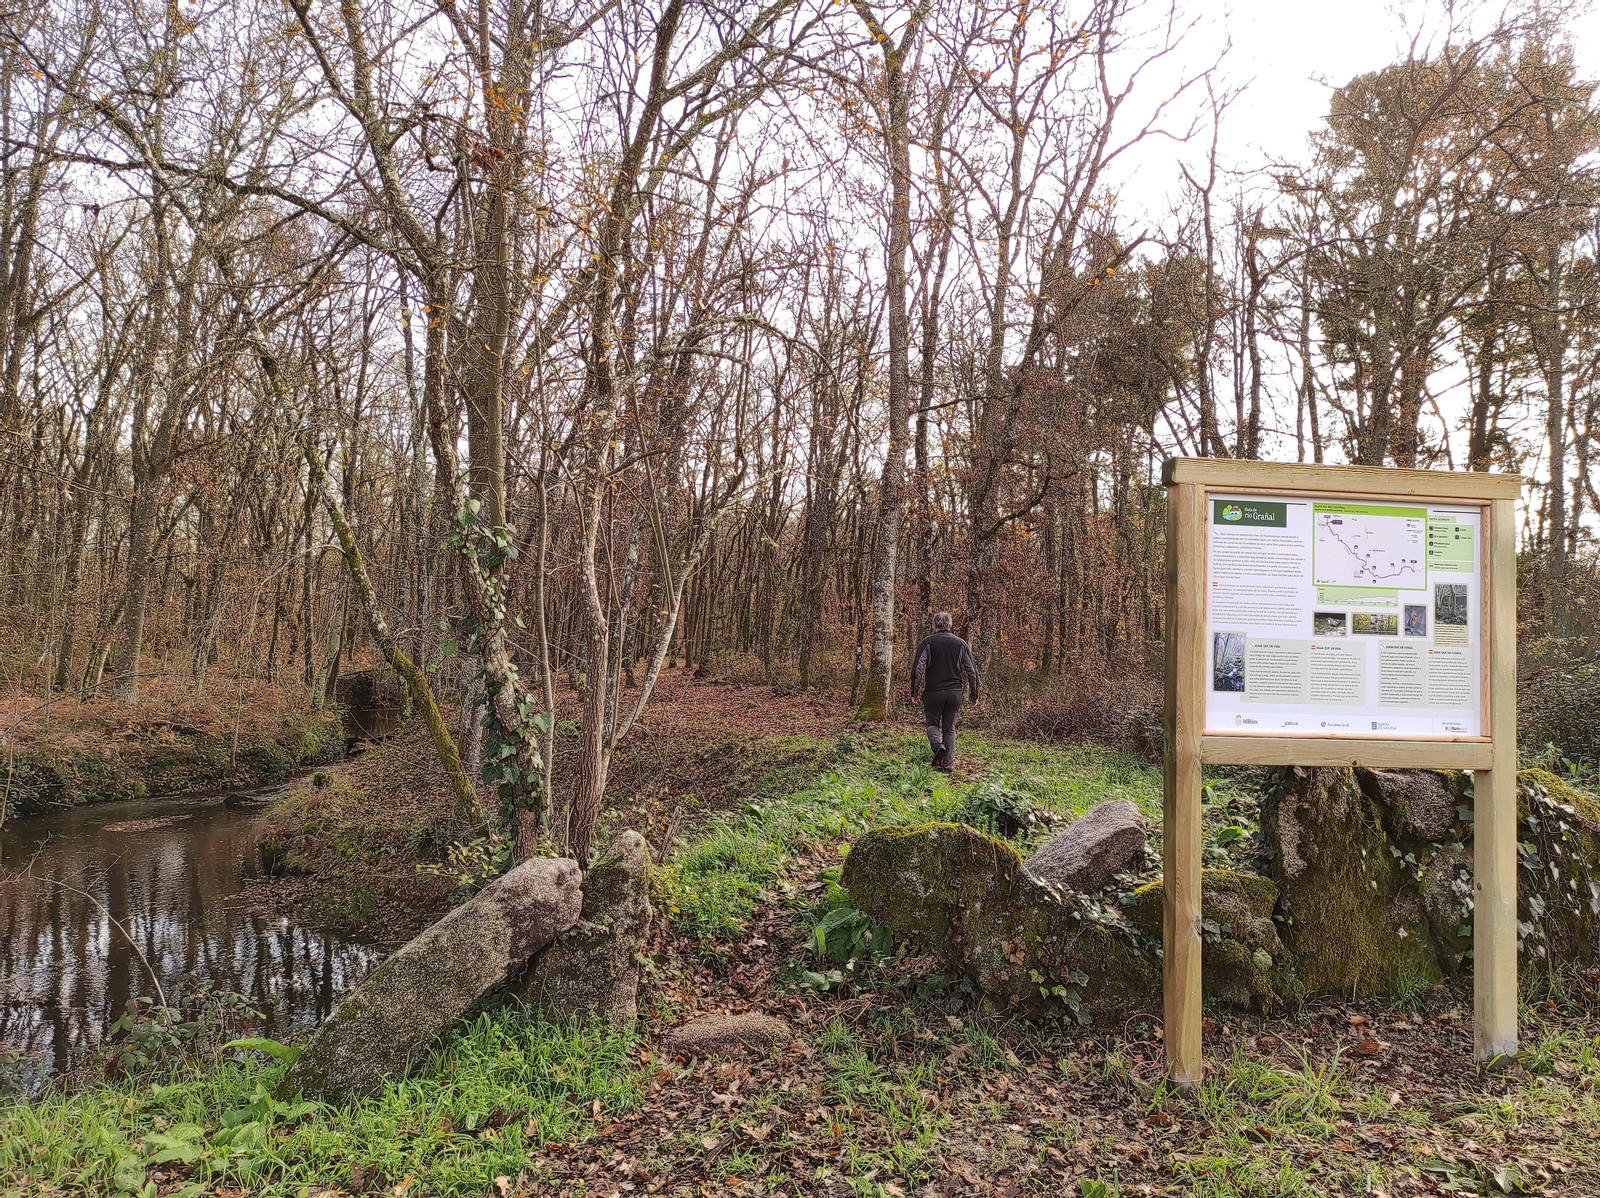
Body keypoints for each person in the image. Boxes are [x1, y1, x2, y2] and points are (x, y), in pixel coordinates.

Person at [909, 612, 980, 771]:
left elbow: (918, 669)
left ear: (935, 624)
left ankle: (937, 746)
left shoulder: (927, 643)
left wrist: (914, 692)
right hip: (955, 692)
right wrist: (974, 694)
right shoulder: (961, 644)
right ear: (950, 625)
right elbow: (972, 672)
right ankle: (947, 766)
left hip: (933, 691)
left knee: (932, 724)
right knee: (949, 728)